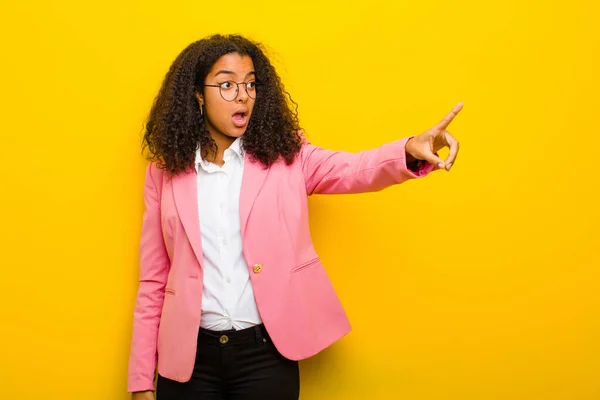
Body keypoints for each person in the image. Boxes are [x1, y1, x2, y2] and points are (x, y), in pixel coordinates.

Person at [127, 34, 462, 400]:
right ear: (196, 94)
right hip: (189, 361)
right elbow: (154, 280)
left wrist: (408, 151)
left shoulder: (288, 155)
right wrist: (142, 378)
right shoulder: (164, 173)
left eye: (251, 83)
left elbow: (352, 169)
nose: (243, 95)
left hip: (265, 355)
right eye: (226, 84)